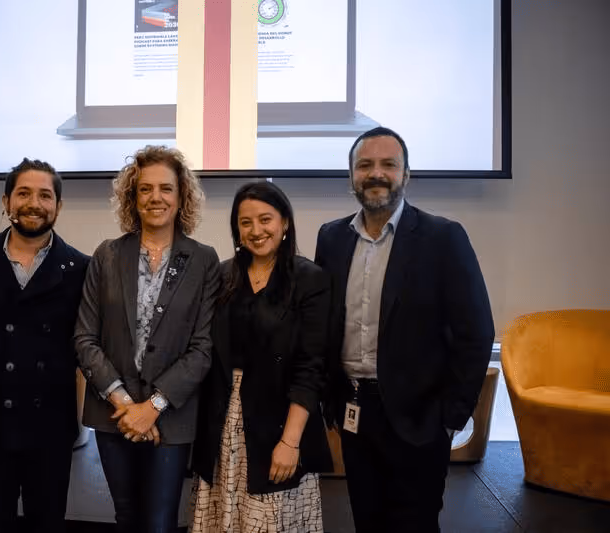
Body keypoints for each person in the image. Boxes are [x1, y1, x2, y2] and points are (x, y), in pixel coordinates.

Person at [315, 126, 495, 532]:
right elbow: (326, 323)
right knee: (367, 519)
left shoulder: (443, 237)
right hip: (354, 412)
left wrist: (451, 417)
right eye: (365, 165)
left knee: (415, 523)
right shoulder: (331, 238)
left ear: (406, 175)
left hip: (421, 420)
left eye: (388, 165)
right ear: (351, 176)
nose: (376, 173)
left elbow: (477, 332)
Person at [74, 145, 220, 533]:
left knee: (159, 523)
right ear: (132, 197)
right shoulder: (106, 255)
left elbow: (203, 348)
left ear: (182, 196)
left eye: (166, 189)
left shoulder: (204, 260)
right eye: (145, 189)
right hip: (113, 415)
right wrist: (126, 404)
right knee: (126, 518)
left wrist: (152, 407)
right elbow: (85, 338)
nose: (156, 197)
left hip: (170, 417)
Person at [0, 158, 91, 532]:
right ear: (6, 201)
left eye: (45, 195)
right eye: (24, 193)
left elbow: (83, 341)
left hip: (50, 428)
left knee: (47, 522)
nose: (34, 203)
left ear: (58, 207)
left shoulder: (80, 268)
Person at [190, 181, 332, 533]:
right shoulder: (222, 275)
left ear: (284, 222)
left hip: (280, 423)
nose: (256, 231)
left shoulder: (310, 279)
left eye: (265, 219)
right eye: (245, 222)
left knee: (271, 519)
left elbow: (311, 367)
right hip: (223, 423)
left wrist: (290, 442)